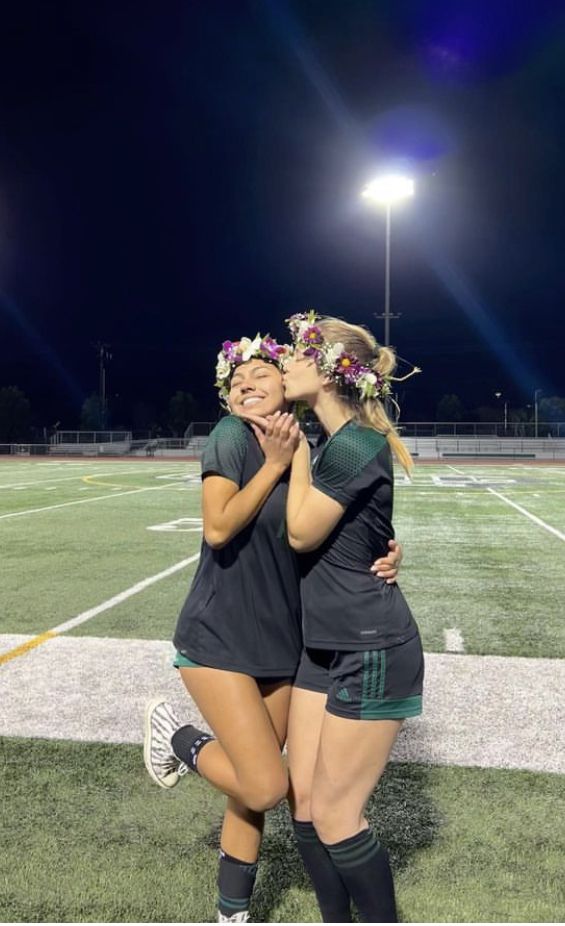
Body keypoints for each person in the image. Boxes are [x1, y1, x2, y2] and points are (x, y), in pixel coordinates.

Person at [144, 333, 403, 924]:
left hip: (285, 642)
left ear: (287, 389)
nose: (246, 384)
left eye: (261, 375)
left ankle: (231, 913)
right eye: (237, 381)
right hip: (220, 635)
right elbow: (217, 528)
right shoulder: (233, 436)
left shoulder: (305, 441)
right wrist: (277, 467)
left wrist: (388, 552)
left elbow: (333, 527)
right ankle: (178, 740)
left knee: (252, 793)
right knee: (265, 785)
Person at [257, 312, 424, 923]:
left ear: (328, 372)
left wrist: (295, 452)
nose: (287, 365)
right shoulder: (338, 442)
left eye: (300, 355)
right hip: (323, 644)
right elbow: (369, 533)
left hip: (370, 645)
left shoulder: (352, 440)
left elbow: (302, 533)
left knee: (334, 814)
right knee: (302, 803)